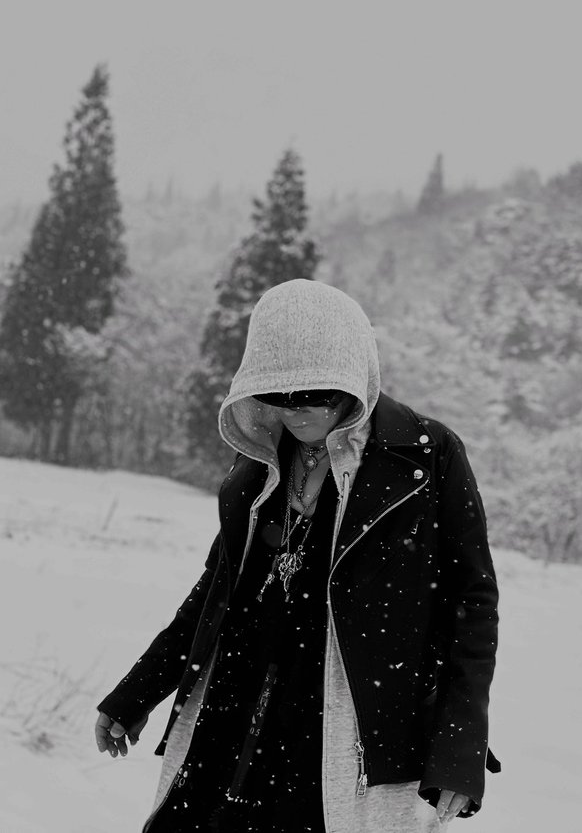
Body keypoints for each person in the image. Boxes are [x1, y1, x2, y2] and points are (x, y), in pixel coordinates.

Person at [93, 279, 499, 832]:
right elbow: (217, 591)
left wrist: (459, 741)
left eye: (316, 393)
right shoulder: (258, 467)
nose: (297, 411)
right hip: (234, 710)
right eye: (278, 395)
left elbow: (472, 603)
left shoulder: (425, 458)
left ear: (354, 376)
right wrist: (139, 691)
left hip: (347, 731)